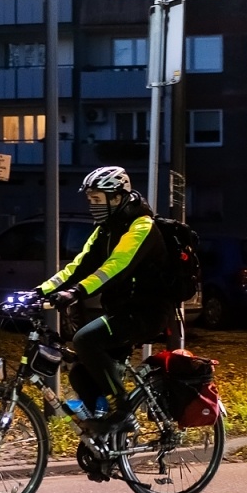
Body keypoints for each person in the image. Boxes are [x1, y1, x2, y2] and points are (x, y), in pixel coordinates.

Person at [33, 166, 169, 429]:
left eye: (97, 199)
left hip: (146, 312)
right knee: (80, 372)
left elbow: (115, 267)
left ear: (116, 198)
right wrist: (41, 290)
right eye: (90, 199)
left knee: (85, 339)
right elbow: (78, 266)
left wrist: (75, 292)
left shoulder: (142, 227)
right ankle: (102, 430)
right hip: (121, 311)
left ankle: (123, 409)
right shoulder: (105, 229)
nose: (92, 205)